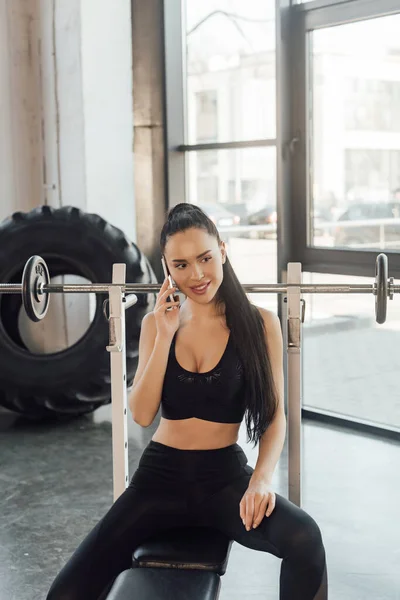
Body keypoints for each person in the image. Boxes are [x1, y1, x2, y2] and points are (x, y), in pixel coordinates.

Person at [47, 203, 328, 599]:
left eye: (205, 258)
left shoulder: (260, 324)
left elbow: (274, 416)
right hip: (158, 480)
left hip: (223, 480)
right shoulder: (155, 325)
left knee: (304, 538)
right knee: (67, 592)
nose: (195, 274)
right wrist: (164, 334)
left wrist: (261, 480)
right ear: (167, 268)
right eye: (180, 265)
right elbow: (143, 414)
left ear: (223, 251)